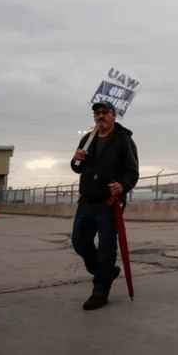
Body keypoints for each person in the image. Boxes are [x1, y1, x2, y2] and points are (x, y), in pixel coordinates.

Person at [70, 100, 139, 310]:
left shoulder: (122, 140)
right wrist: (75, 159)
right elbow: (77, 168)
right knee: (79, 241)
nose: (100, 116)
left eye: (105, 112)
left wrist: (123, 185)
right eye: (97, 113)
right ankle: (105, 270)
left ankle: (100, 291)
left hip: (109, 202)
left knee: (107, 246)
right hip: (87, 201)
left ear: (113, 116)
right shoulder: (87, 139)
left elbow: (132, 172)